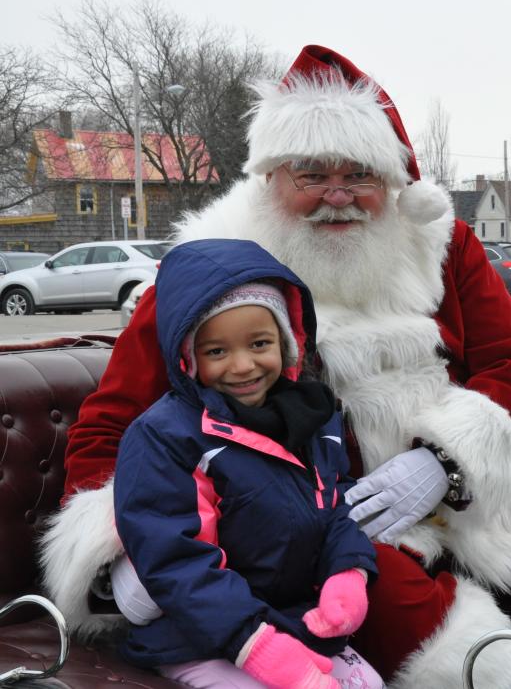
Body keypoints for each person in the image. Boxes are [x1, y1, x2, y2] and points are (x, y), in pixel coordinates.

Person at [41, 45, 511, 689]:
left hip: (444, 488)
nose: (337, 197)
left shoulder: (440, 243)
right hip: (311, 516)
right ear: (271, 179)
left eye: (359, 175)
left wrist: (443, 462)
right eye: (310, 176)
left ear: (393, 179)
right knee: (418, 618)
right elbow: (114, 426)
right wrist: (126, 549)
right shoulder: (212, 267)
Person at [112, 238, 381, 689]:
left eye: (259, 343)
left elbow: (336, 502)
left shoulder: (312, 415)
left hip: (293, 619)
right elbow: (176, 560)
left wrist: (348, 573)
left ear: (288, 342)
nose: (242, 366)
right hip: (197, 634)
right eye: (216, 351)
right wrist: (254, 644)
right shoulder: (166, 437)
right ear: (188, 356)